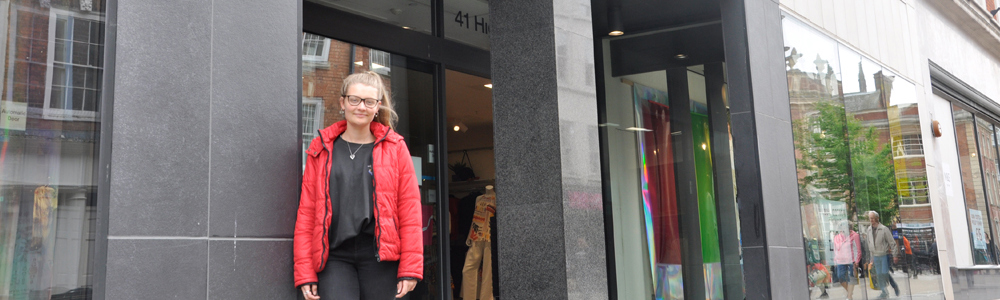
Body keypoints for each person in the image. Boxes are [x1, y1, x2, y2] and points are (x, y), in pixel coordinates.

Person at [294, 71, 423, 300]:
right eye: (354, 99)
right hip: (334, 257)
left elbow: (409, 210)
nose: (361, 107)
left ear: (377, 107)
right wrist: (305, 272)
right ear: (342, 102)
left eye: (369, 101)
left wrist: (410, 269)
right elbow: (306, 214)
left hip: (379, 256)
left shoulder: (395, 148)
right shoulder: (320, 149)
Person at [864, 211, 899, 299]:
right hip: (875, 256)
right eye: (870, 218)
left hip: (884, 254)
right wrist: (871, 257)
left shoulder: (884, 229)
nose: (871, 220)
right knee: (879, 275)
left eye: (872, 218)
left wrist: (895, 255)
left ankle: (894, 285)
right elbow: (869, 244)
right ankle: (884, 292)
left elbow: (892, 243)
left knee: (884, 273)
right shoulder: (868, 230)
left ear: (877, 218)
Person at [832, 220, 860, 299]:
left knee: (851, 279)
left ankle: (849, 296)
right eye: (842, 227)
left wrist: (856, 261)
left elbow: (858, 250)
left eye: (845, 226)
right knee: (840, 278)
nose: (842, 228)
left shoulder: (854, 235)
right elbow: (835, 250)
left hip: (851, 261)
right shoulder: (837, 237)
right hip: (840, 261)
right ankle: (849, 293)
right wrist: (835, 260)